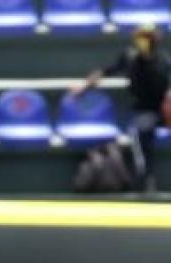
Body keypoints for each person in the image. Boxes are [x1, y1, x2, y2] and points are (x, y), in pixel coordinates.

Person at [73, 25, 171, 194]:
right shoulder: (129, 57)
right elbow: (106, 71)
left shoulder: (164, 61)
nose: (144, 41)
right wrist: (84, 85)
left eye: (148, 37)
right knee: (140, 131)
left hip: (164, 109)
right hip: (143, 110)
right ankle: (146, 182)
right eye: (141, 37)